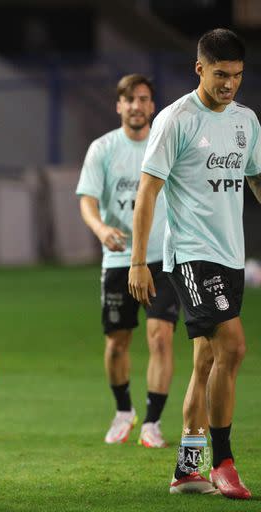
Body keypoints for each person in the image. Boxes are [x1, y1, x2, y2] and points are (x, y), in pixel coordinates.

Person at [129, 28, 261, 500]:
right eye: (221, 74)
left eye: (238, 76)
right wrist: (139, 260)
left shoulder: (247, 121)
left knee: (207, 360)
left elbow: (256, 178)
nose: (230, 84)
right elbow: (147, 192)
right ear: (199, 69)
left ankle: (188, 467)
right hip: (190, 255)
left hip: (229, 256)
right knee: (234, 348)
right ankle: (223, 461)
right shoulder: (176, 120)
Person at [76, 74, 179, 448]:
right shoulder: (102, 149)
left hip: (163, 257)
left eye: (143, 99)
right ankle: (124, 411)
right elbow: (87, 199)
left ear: (152, 106)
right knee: (117, 342)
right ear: (119, 106)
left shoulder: (165, 144)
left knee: (161, 337)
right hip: (119, 258)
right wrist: (101, 229)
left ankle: (152, 422)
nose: (136, 105)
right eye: (128, 99)